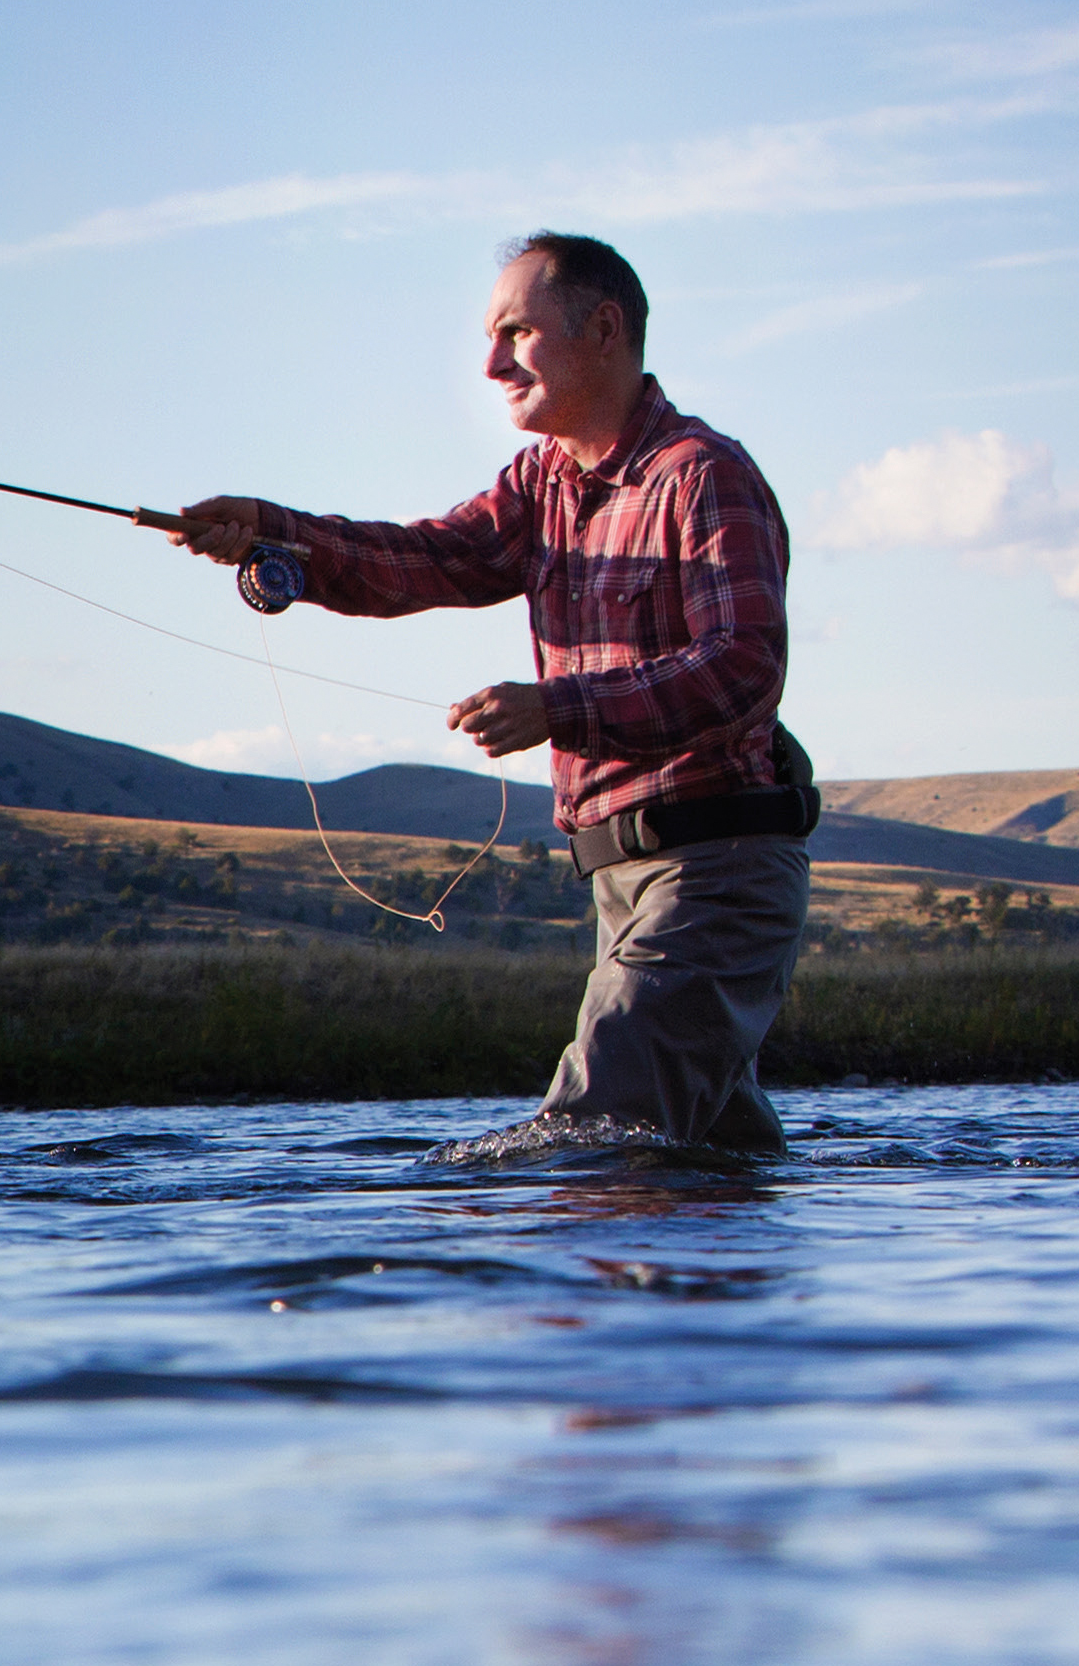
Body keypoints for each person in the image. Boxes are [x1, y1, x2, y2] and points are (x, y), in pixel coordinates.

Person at [173, 233, 815, 1153]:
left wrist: (563, 707)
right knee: (701, 1162)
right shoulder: (542, 483)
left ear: (603, 329)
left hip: (717, 868)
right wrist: (274, 533)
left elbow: (742, 668)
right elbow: (429, 558)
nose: (489, 363)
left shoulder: (702, 478)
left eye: (515, 332)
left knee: (589, 1138)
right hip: (622, 881)